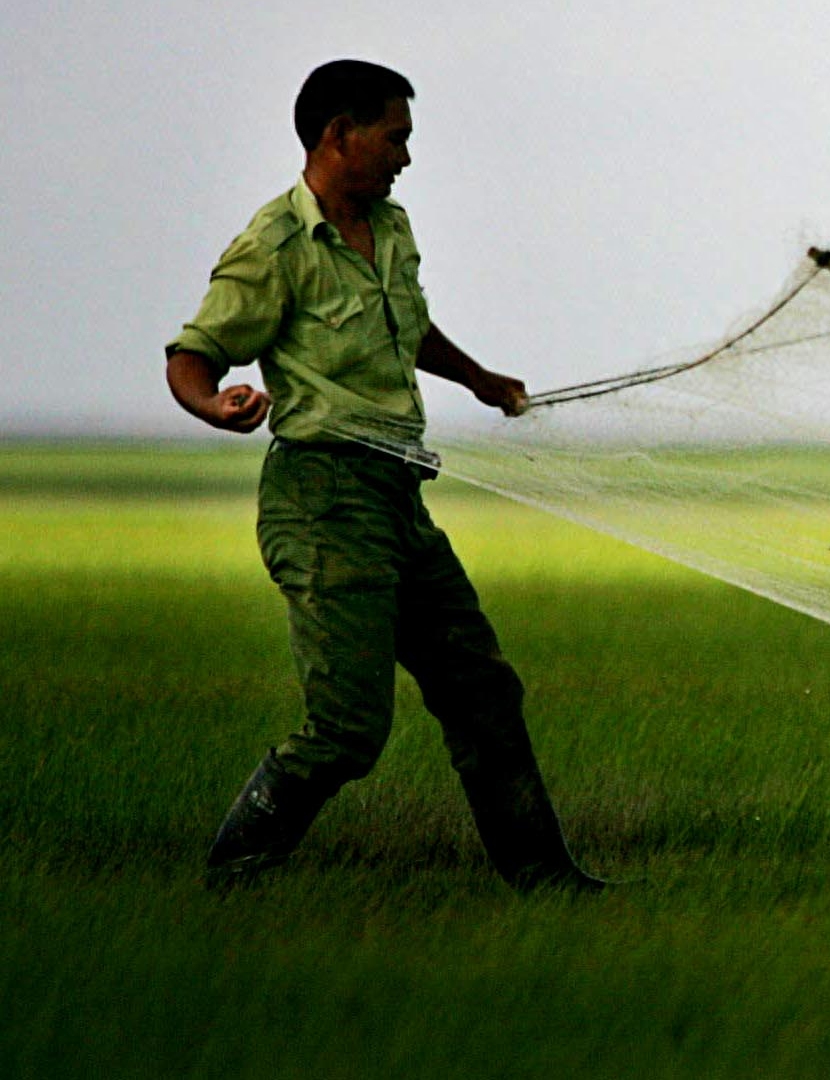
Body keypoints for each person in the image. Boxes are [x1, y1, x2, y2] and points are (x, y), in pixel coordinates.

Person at [166, 58, 604, 892]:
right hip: (325, 501)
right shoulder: (273, 247)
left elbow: (410, 326)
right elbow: (192, 354)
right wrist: (214, 404)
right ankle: (231, 876)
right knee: (347, 730)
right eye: (395, 137)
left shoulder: (391, 227)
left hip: (400, 496)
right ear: (340, 135)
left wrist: (479, 379)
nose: (405, 157)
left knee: (483, 693)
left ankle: (545, 878)